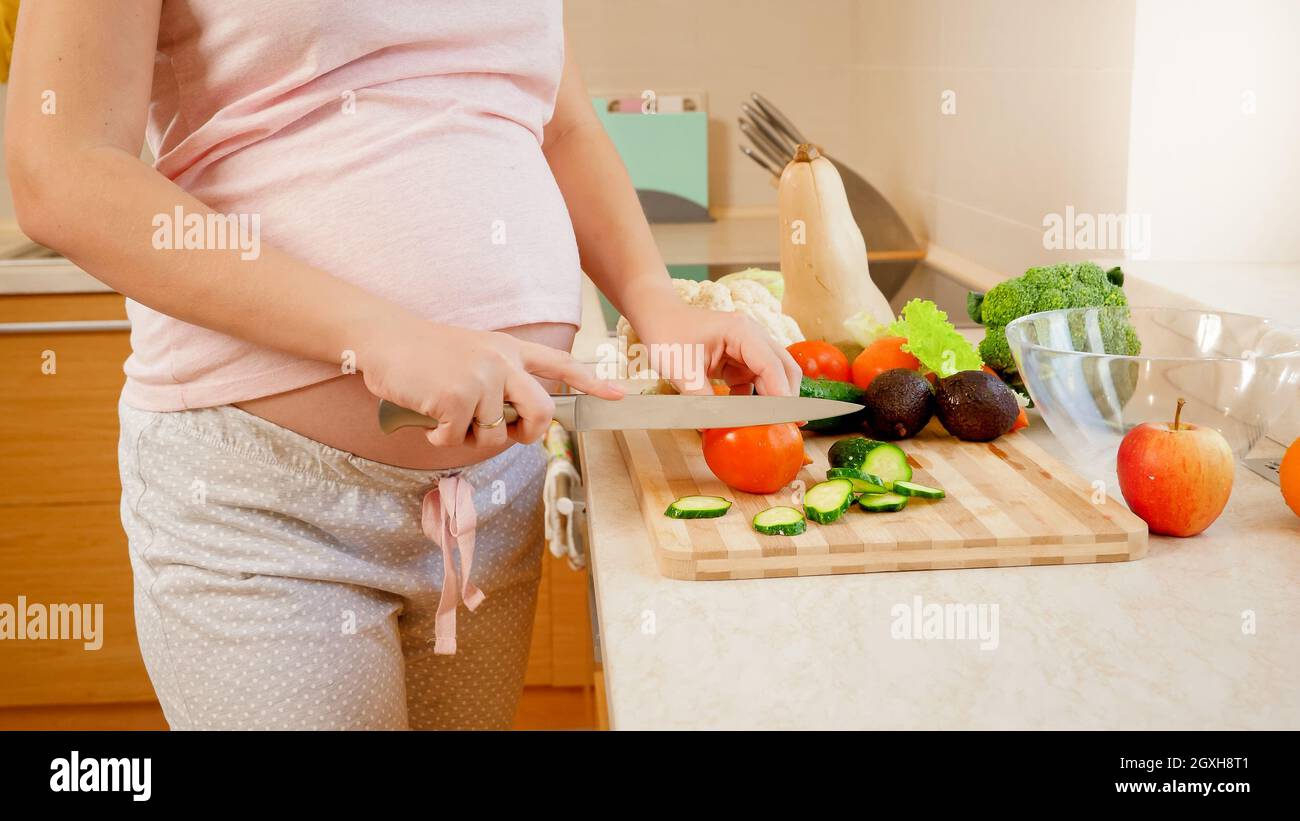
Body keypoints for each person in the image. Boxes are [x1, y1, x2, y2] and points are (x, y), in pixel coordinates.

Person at [4, 0, 799, 729]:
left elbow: (561, 128)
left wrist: (654, 298)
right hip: (269, 506)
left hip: (488, 497)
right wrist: (382, 337)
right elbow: (60, 168)